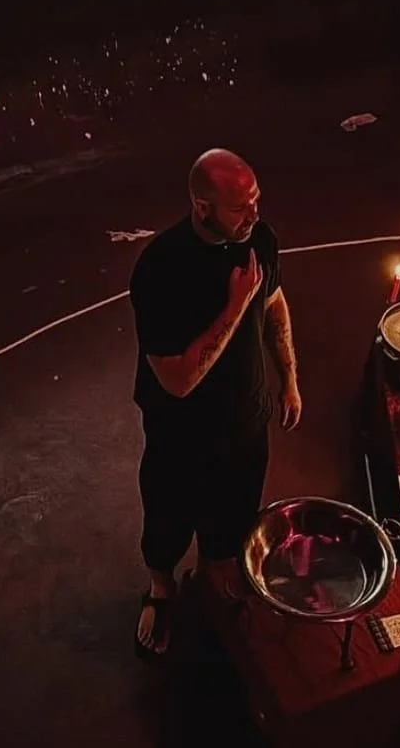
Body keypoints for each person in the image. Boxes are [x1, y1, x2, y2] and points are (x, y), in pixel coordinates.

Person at [129, 148, 302, 658]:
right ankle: (161, 591)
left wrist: (290, 378)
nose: (254, 215)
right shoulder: (160, 269)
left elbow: (274, 303)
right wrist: (235, 304)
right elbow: (178, 381)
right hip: (180, 433)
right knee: (167, 520)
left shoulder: (260, 239)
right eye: (239, 207)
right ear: (201, 206)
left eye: (256, 200)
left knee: (231, 521)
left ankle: (211, 578)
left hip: (244, 423)